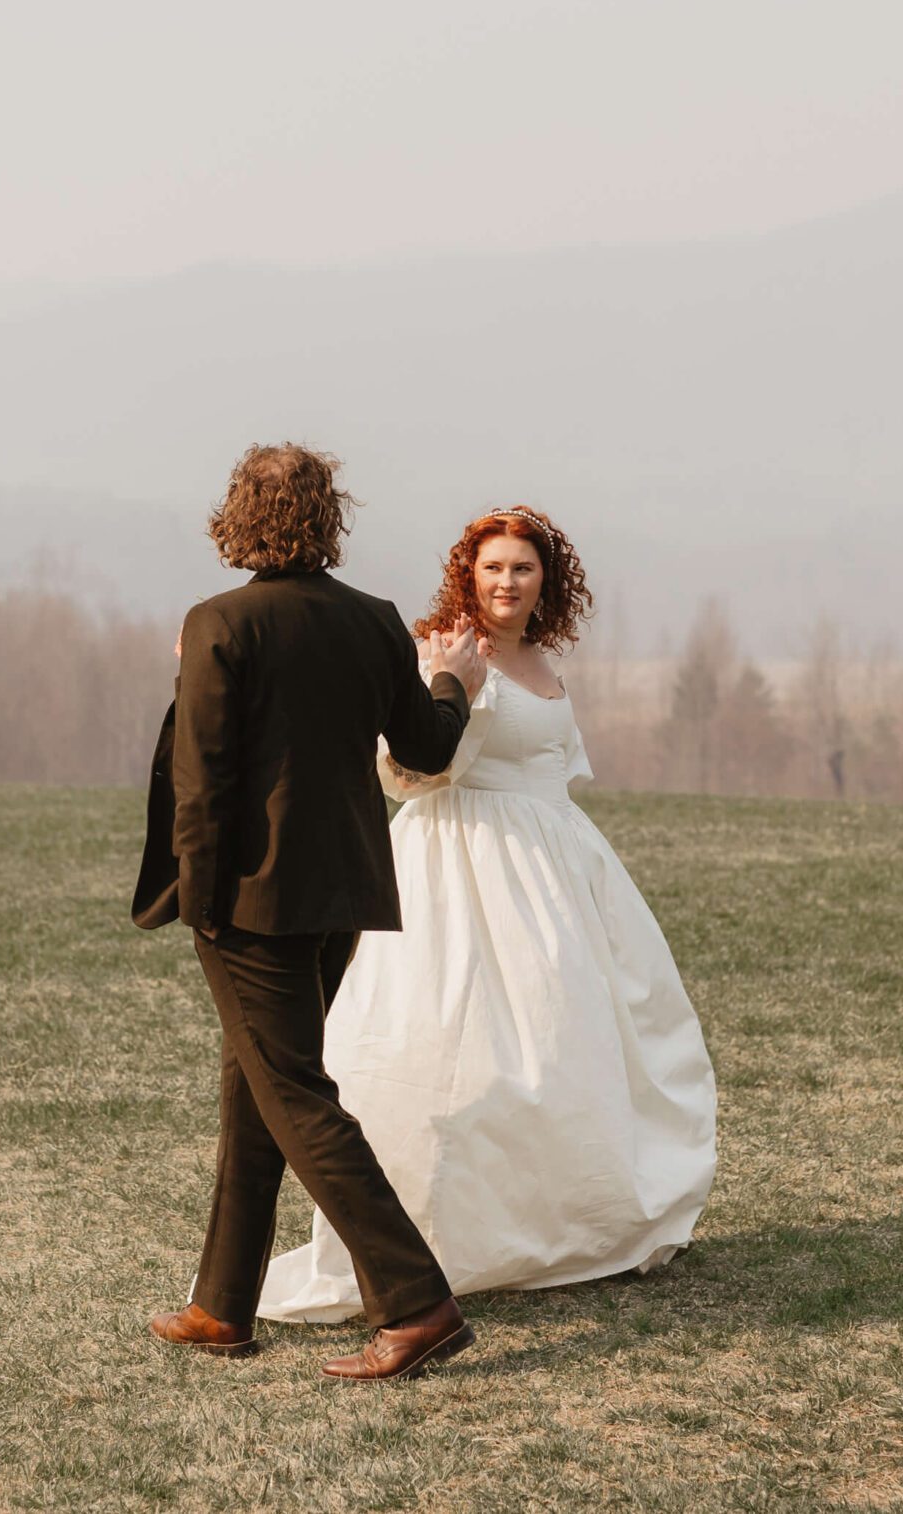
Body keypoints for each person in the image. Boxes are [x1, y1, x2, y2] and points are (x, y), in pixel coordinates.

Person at [256, 505, 718, 1323]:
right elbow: (408, 770)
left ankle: (564, 1219)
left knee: (562, 1038)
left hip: (557, 866)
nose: (508, 582)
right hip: (462, 862)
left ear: (549, 581)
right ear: (470, 573)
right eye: (495, 567)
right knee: (453, 1046)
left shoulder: (541, 657)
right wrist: (450, 689)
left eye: (524, 568)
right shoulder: (447, 650)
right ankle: (439, 1235)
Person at [132, 442, 491, 1380]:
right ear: (329, 514)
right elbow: (424, 743)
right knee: (256, 1084)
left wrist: (201, 906)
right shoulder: (373, 621)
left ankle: (417, 1304)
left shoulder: (218, 624)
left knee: (292, 1093)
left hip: (249, 902)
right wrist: (453, 682)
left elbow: (201, 788)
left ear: (239, 516)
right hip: (343, 895)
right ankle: (223, 1306)